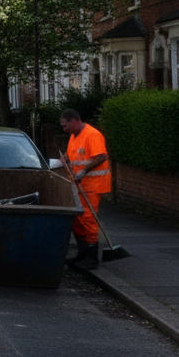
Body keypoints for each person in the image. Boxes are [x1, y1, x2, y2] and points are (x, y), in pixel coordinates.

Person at [61, 108, 109, 269]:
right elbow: (70, 157)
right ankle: (83, 253)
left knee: (87, 219)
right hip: (79, 185)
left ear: (74, 120)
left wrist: (83, 171)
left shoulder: (92, 135)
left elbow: (101, 157)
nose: (64, 129)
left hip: (92, 185)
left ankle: (91, 256)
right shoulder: (73, 137)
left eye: (65, 125)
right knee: (77, 219)